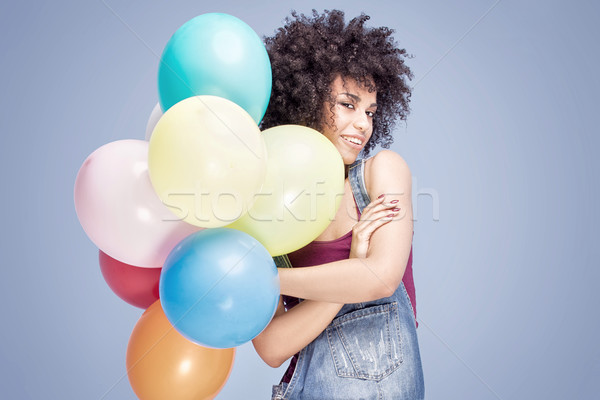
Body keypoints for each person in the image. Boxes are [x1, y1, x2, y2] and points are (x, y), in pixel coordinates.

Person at [252, 10, 424, 400]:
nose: (363, 124)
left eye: (370, 111)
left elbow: (381, 278)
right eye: (348, 104)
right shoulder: (265, 208)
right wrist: (353, 267)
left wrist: (265, 278)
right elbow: (272, 347)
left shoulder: (383, 172)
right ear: (307, 100)